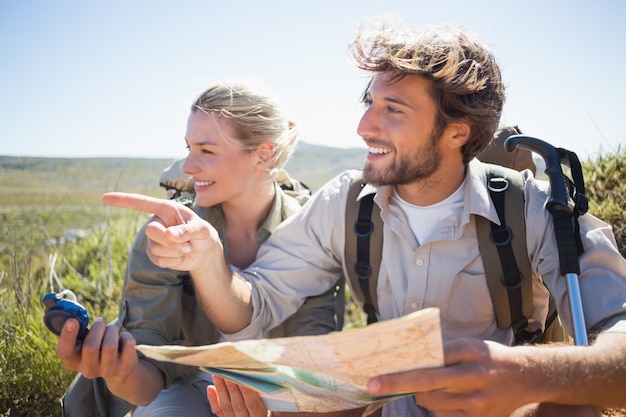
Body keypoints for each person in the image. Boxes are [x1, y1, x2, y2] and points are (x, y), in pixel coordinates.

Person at [102, 17, 626, 417]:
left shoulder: (533, 209)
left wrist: (529, 375)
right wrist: (209, 260)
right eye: (369, 102)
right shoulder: (343, 205)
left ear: (458, 132)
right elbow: (254, 306)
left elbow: (618, 337)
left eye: (393, 109)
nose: (364, 125)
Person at [56, 78, 341, 417]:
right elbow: (148, 382)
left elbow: (313, 368)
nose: (189, 167)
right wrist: (119, 372)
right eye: (189, 148)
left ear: (263, 153)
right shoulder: (167, 232)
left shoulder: (313, 234)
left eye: (207, 151)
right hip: (187, 384)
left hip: (280, 394)